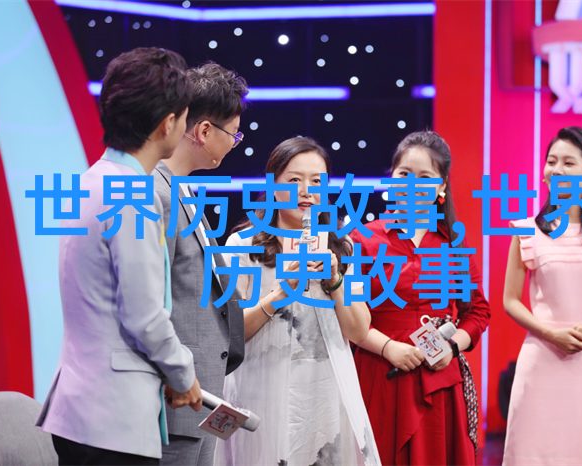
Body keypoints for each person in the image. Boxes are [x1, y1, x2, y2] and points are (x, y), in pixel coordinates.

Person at [36, 48, 202, 466]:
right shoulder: (132, 196)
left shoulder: (91, 180)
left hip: (79, 408)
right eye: (185, 118)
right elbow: (144, 315)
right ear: (168, 124)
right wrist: (183, 373)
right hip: (112, 417)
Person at [214, 137, 381, 466]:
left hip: (325, 394)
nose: (306, 191)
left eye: (317, 181)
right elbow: (228, 332)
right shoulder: (242, 244)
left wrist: (335, 280)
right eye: (294, 180)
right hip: (262, 392)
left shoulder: (344, 246)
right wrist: (281, 292)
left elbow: (360, 330)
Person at [351, 131, 491, 466]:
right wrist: (389, 348)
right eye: (404, 174)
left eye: (425, 177)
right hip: (379, 372)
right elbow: (347, 318)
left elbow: (478, 311)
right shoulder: (362, 239)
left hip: (438, 378)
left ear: (441, 187)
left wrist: (452, 347)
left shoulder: (454, 244)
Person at [502, 126, 582, 466]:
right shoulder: (527, 231)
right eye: (551, 161)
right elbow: (510, 300)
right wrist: (550, 332)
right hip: (540, 360)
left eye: (568, 163)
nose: (556, 170)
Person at [153, 62, 248, 466]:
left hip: (199, 398)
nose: (235, 143)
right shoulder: (157, 194)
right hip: (176, 400)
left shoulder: (184, 191)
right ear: (205, 131)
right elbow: (149, 304)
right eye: (234, 133)